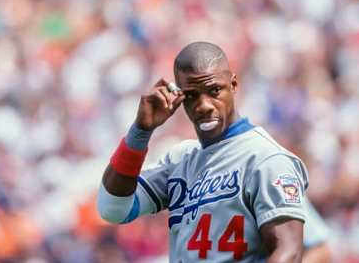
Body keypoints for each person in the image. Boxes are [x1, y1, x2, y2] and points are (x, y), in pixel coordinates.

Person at [98, 42, 309, 262]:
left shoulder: (265, 158)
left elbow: (288, 252)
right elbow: (112, 209)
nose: (204, 105)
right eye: (191, 95)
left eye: (214, 90)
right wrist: (140, 131)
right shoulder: (180, 159)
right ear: (178, 97)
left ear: (234, 85)